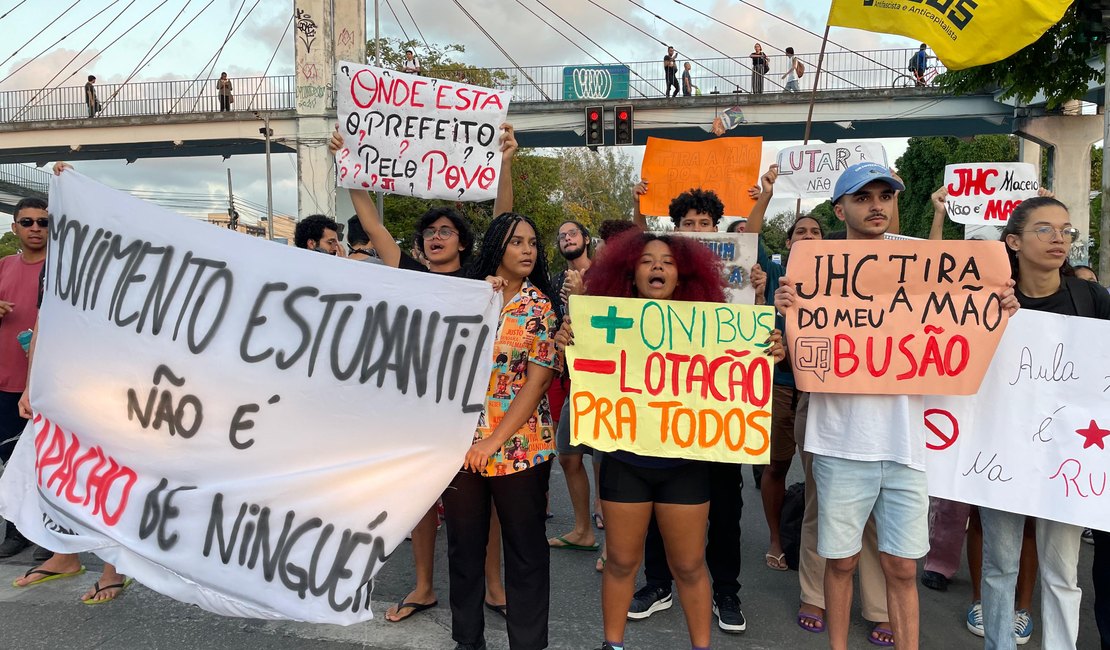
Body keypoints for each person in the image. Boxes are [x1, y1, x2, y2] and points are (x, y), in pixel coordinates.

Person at [775, 162, 1018, 650]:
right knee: (840, 561)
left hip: (907, 444)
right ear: (840, 208)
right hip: (839, 442)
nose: (877, 205)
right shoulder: (814, 269)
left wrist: (1001, 305)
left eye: (885, 196)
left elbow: (970, 307)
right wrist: (785, 309)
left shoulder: (919, 260)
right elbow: (796, 346)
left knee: (902, 567)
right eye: (863, 198)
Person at [557, 228, 783, 650]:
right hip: (625, 463)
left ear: (684, 275)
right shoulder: (604, 321)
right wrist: (567, 338)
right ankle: (613, 645)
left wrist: (767, 347)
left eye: (667, 261)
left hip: (686, 467)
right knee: (622, 562)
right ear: (630, 273)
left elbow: (745, 364)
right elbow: (579, 365)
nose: (657, 266)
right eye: (646, 260)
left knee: (690, 565)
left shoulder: (713, 327)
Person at [329, 124, 518, 623]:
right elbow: (371, 226)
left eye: (445, 232)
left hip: (473, 407)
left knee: (486, 500)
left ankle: (494, 587)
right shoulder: (409, 273)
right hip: (421, 408)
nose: (435, 238)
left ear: (462, 242)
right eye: (429, 233)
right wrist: (350, 166)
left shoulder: (481, 277)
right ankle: (424, 586)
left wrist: (506, 162)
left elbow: (503, 217)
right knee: (423, 499)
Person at [628, 181, 767, 634]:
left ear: (717, 230)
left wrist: (758, 296)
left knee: (725, 507)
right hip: (664, 413)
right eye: (686, 225)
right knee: (657, 503)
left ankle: (725, 589)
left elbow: (752, 334)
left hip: (719, 410)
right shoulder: (659, 275)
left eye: (703, 224)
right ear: (675, 230)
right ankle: (658, 582)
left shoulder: (739, 277)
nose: (694, 231)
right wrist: (636, 209)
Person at [981, 196, 1110, 650]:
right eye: (1045, 229)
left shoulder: (1091, 298)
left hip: (1069, 457)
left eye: (1067, 230)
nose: (1060, 238)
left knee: (1062, 570)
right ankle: (998, 643)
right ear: (1013, 241)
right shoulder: (988, 300)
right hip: (1001, 452)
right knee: (1000, 566)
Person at [442, 212, 559, 650]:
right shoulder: (467, 297)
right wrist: (473, 301)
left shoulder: (541, 307)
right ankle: (467, 641)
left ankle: (527, 645)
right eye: (516, 242)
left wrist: (493, 441)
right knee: (463, 551)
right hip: (460, 447)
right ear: (497, 248)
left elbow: (538, 381)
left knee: (525, 555)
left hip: (521, 450)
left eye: (532, 242)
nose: (527, 250)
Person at [548, 220, 600, 555]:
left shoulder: (605, 276)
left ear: (585, 239)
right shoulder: (557, 280)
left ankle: (614, 548)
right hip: (574, 378)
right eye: (561, 235)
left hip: (604, 379)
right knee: (567, 455)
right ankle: (583, 530)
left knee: (608, 461)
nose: (567, 238)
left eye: (573, 233)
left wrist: (582, 299)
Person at [0, 198, 49, 559]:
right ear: (14, 227)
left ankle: (50, 537)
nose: (35, 228)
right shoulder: (3, 266)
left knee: (47, 462)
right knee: (11, 460)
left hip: (47, 383)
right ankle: (17, 531)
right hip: (6, 381)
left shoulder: (65, 271)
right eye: (28, 222)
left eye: (43, 223)